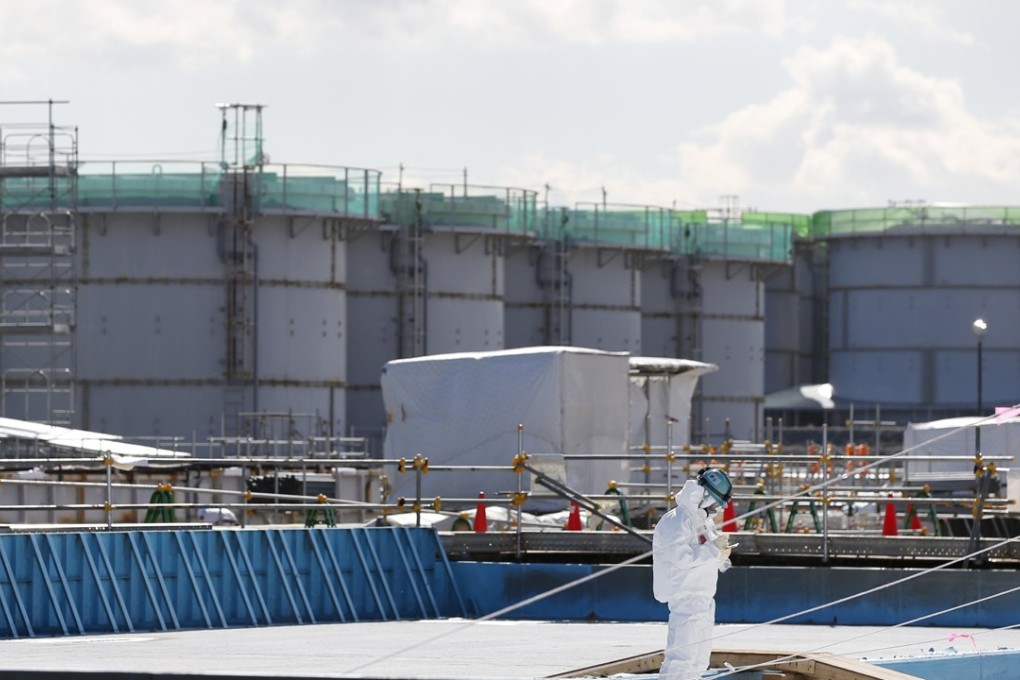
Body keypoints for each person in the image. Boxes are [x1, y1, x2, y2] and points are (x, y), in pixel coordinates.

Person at [652, 468, 734, 679]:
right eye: (715, 503)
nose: (715, 509)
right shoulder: (676, 520)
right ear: (704, 495)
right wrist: (714, 550)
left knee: (698, 661)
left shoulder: (703, 522)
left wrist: (722, 555)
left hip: (704, 598)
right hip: (686, 597)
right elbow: (681, 559)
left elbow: (712, 558)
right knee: (682, 658)